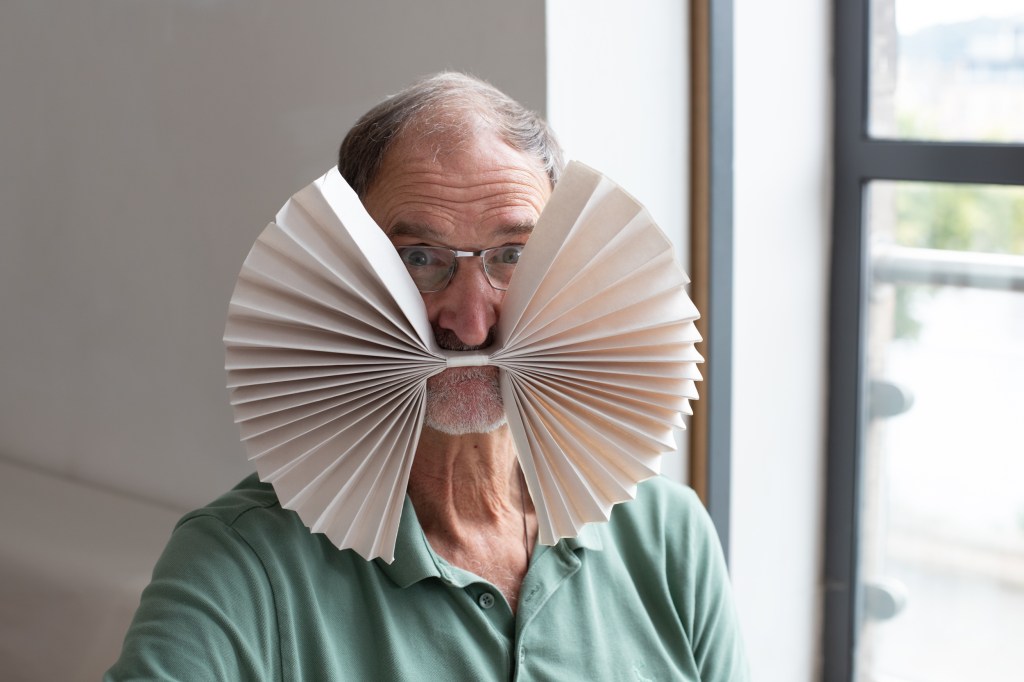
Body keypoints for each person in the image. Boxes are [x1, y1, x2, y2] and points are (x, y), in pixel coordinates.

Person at [106, 72, 748, 681]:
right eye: (419, 258)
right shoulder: (239, 569)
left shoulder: (668, 536)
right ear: (348, 270)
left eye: (512, 256)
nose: (469, 324)